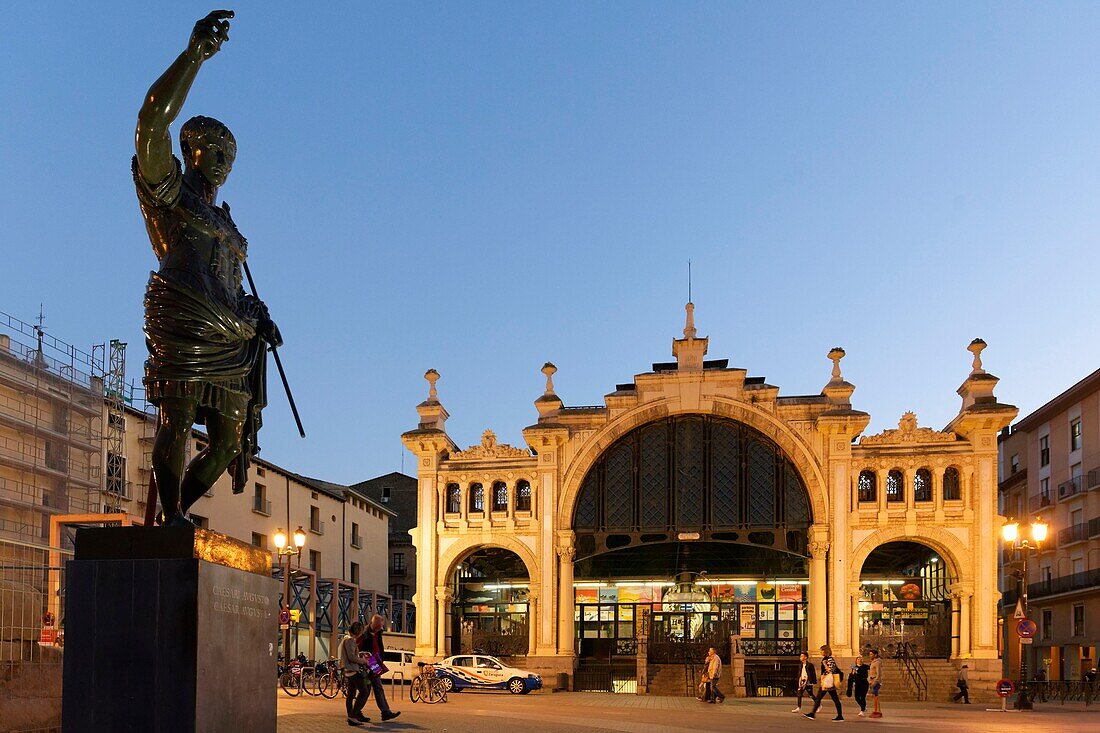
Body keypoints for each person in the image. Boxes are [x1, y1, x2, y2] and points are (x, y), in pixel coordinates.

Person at [134, 11, 281, 526]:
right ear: (189, 150)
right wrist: (194, 55)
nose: (220, 162)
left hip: (231, 331)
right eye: (212, 150)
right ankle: (169, 516)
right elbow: (151, 121)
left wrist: (256, 313)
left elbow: (234, 285)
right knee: (176, 417)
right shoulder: (171, 193)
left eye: (228, 157)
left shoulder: (225, 220)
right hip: (187, 315)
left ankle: (176, 517)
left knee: (227, 442)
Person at [358, 614, 401, 722]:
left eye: (380, 627)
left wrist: (381, 659)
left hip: (375, 662)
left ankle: (385, 712)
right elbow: (360, 649)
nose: (378, 629)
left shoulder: (378, 633)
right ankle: (357, 711)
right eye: (377, 627)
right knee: (367, 689)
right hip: (369, 663)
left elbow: (379, 647)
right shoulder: (364, 634)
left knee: (377, 688)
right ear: (372, 623)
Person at [340, 621, 370, 727]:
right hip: (352, 670)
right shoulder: (350, 640)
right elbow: (351, 657)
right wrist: (363, 661)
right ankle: (353, 716)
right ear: (358, 631)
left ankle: (351, 716)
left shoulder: (346, 638)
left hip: (348, 671)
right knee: (364, 691)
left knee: (351, 694)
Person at [804, 644, 843, 721]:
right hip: (827, 681)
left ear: (825, 651)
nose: (820, 652)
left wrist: (825, 664)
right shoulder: (826, 658)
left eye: (821, 650)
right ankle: (840, 716)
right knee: (834, 699)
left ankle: (812, 713)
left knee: (819, 697)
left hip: (828, 681)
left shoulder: (829, 659)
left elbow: (831, 669)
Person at [868, 648, 884, 719]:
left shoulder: (877, 662)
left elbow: (879, 673)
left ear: (875, 655)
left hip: (876, 681)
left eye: (871, 654)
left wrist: (875, 681)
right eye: (870, 654)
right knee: (874, 696)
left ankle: (877, 711)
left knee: (875, 696)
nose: (870, 655)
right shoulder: (873, 662)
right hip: (872, 680)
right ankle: (877, 711)